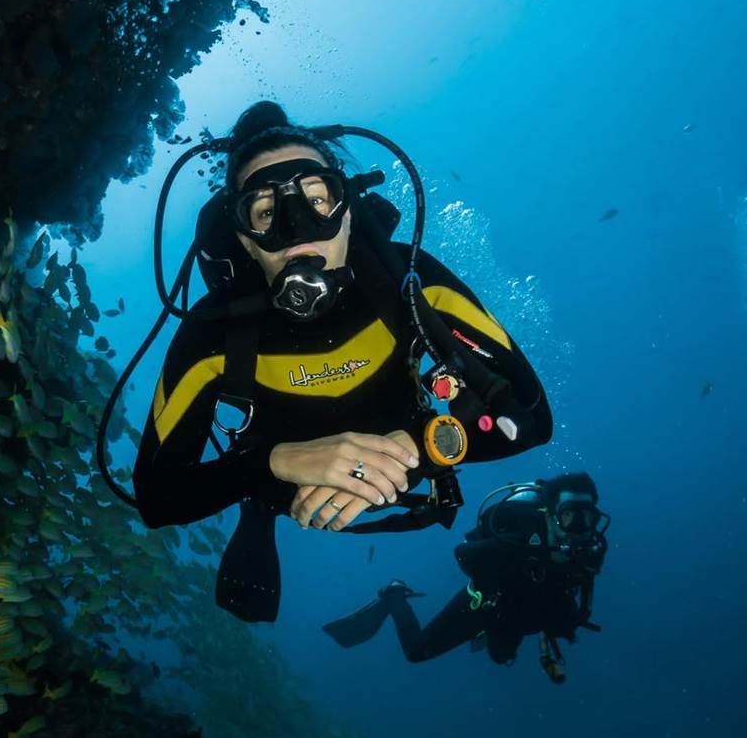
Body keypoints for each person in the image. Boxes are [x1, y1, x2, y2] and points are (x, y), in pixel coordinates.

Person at [129, 101, 553, 620]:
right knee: (258, 494)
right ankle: (259, 509)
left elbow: (532, 416)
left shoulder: (412, 283)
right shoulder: (212, 333)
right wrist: (273, 464)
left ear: (348, 209)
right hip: (280, 485)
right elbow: (157, 497)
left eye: (316, 199)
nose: (295, 228)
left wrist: (420, 447)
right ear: (243, 238)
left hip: (410, 455)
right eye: (264, 212)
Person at [322, 473, 609, 683]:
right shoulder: (522, 539)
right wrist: (488, 593)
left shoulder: (590, 551)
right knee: (417, 652)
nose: (580, 527)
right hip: (488, 603)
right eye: (571, 515)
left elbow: (581, 592)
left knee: (501, 657)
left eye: (588, 517)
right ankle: (395, 596)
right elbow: (464, 553)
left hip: (528, 609)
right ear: (549, 515)